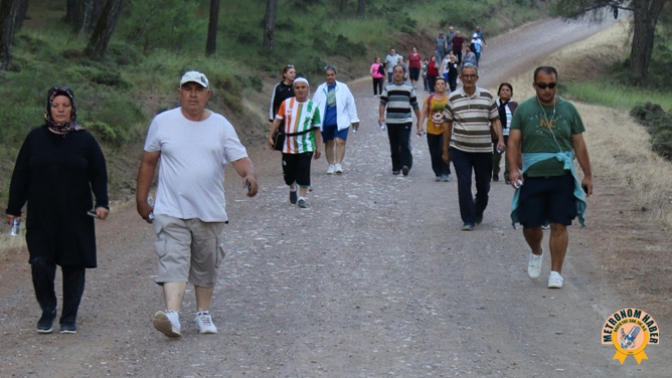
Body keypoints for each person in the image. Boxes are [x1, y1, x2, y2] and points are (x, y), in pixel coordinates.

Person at [136, 71, 258, 338]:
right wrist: (141, 199)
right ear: (179, 93)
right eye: (187, 89)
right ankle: (172, 316)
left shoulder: (221, 125)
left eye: (198, 89)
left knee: (206, 263)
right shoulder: (162, 122)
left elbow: (240, 158)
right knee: (172, 258)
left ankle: (202, 312)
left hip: (209, 210)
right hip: (170, 208)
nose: (193, 94)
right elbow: (148, 162)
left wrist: (249, 175)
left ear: (207, 95)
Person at [6, 86, 109, 334]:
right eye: (56, 105)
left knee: (73, 265)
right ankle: (48, 309)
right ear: (48, 109)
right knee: (40, 262)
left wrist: (102, 202)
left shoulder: (85, 139)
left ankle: (69, 317)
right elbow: (21, 174)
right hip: (41, 215)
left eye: (65, 105)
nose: (60, 110)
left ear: (72, 108)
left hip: (76, 216)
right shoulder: (35, 138)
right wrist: (14, 208)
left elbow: (98, 172)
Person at [508, 66, 593, 289]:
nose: (547, 90)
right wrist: (513, 169)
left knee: (559, 224)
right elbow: (514, 142)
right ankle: (536, 251)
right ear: (534, 85)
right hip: (533, 178)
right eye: (542, 85)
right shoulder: (524, 110)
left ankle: (556, 272)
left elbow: (579, 143)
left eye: (551, 85)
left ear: (556, 85)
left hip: (561, 177)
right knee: (530, 225)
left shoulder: (568, 110)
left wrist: (588, 175)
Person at [442, 64, 505, 231]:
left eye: (472, 76)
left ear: (477, 78)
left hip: (483, 149)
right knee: (464, 182)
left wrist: (500, 139)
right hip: (460, 148)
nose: (469, 79)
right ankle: (468, 219)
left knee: (483, 185)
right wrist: (445, 148)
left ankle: (479, 206)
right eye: (466, 76)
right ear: (461, 78)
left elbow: (495, 119)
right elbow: (447, 124)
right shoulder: (453, 98)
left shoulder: (486, 96)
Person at [268, 77, 322, 207]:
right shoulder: (286, 104)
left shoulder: (313, 107)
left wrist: (318, 147)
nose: (300, 90)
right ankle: (292, 187)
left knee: (304, 170)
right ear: (294, 89)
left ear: (307, 89)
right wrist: (270, 136)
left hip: (306, 145)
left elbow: (317, 128)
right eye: (297, 88)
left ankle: (302, 197)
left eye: (303, 87)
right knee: (288, 174)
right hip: (288, 145)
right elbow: (277, 120)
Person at [312, 66, 359, 174]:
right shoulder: (320, 89)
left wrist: (354, 118)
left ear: (335, 75)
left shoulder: (343, 88)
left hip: (340, 119)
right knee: (329, 142)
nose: (330, 77)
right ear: (325, 76)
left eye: (332, 75)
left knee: (340, 141)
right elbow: (314, 105)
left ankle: (338, 164)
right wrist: (313, 119)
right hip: (326, 120)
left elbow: (350, 103)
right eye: (328, 75)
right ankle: (331, 164)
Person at [379, 65, 421, 176]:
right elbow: (382, 103)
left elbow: (415, 104)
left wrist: (419, 119)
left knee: (404, 142)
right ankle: (396, 167)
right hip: (392, 121)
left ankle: (405, 165)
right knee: (394, 144)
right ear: (393, 74)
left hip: (405, 120)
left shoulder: (409, 88)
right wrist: (381, 116)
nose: (398, 74)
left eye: (400, 72)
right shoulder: (388, 88)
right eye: (396, 72)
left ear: (404, 74)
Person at [417, 77, 451, 182]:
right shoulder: (430, 98)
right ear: (435, 86)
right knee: (434, 152)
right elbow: (423, 112)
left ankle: (445, 171)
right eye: (438, 84)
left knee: (444, 149)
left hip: (445, 130)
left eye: (442, 84)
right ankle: (437, 172)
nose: (440, 85)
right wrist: (420, 126)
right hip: (431, 129)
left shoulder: (449, 99)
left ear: (445, 86)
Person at [492, 83, 518, 184]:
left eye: (508, 90)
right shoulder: (494, 104)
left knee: (509, 156)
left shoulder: (514, 105)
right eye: (503, 90)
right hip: (498, 135)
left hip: (510, 134)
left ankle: (507, 175)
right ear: (499, 92)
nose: (505, 92)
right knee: (496, 155)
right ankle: (495, 171)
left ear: (511, 93)